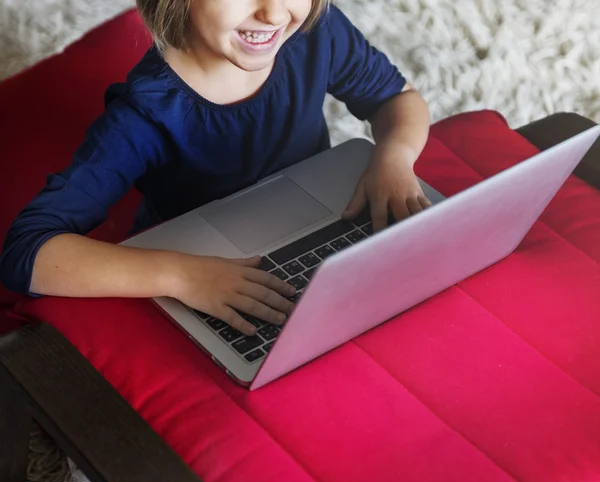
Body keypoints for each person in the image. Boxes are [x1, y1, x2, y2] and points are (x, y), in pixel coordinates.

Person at [0, 0, 431, 336]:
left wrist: (393, 155)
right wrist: (180, 275)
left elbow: (397, 98)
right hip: (208, 266)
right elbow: (26, 252)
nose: (275, 13)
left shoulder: (317, 31)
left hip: (318, 216)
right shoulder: (144, 114)